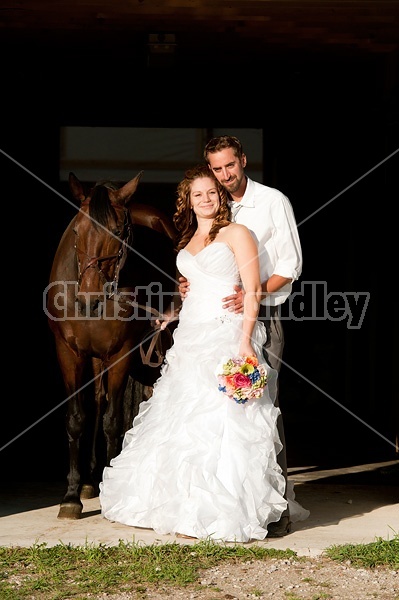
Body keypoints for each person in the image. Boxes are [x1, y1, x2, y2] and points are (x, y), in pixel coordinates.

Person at [99, 165, 309, 542]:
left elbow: (252, 292)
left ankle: (225, 508)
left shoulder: (237, 233)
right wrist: (173, 312)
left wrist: (245, 341)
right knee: (182, 417)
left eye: (212, 192)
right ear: (188, 201)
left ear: (221, 196)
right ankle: (180, 504)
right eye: (198, 194)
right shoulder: (187, 239)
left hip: (226, 334)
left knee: (221, 421)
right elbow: (196, 287)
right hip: (191, 335)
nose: (207, 199)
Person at [178, 136, 302, 537]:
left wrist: (253, 292)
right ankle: (208, 499)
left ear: (243, 161)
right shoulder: (216, 209)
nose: (225, 175)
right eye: (216, 169)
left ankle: (274, 507)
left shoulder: (271, 202)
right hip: (211, 321)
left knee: (262, 407)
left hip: (262, 312)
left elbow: (291, 264)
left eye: (230, 166)